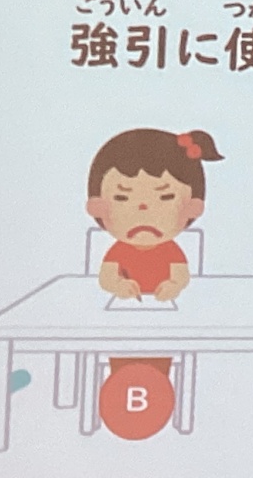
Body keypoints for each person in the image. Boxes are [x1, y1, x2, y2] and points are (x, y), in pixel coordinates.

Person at [85, 127, 223, 379]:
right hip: (121, 319)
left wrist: (173, 286)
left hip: (165, 320)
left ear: (192, 207)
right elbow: (106, 277)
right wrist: (118, 285)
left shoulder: (170, 249)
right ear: (99, 207)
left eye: (166, 196)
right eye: (122, 197)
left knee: (160, 363)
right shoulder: (119, 249)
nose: (143, 208)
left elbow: (181, 276)